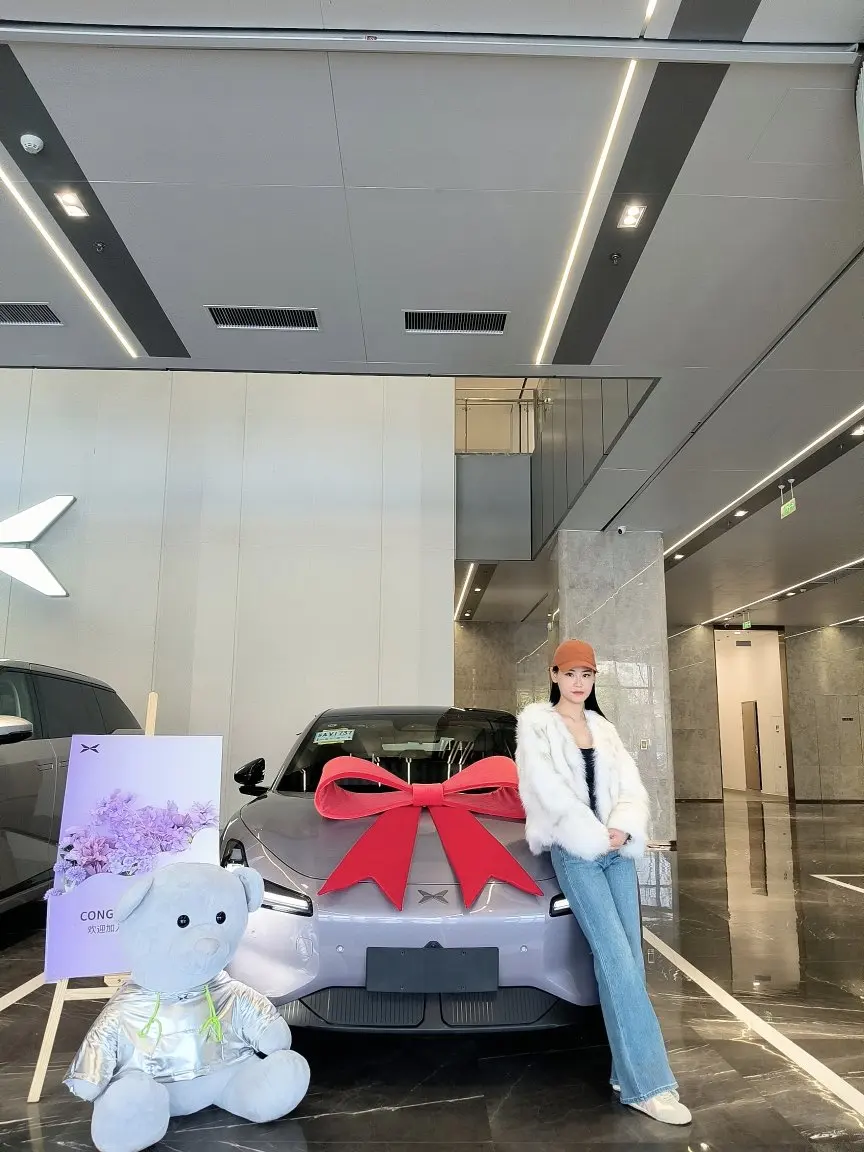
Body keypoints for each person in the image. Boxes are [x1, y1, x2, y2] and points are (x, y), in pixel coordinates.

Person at [515, 638, 690, 1126]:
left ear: (594, 679)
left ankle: (623, 1073)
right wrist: (594, 835)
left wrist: (624, 827)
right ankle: (649, 1085)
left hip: (617, 852)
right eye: (570, 673)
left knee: (629, 959)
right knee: (615, 958)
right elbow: (546, 793)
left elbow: (631, 787)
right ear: (554, 675)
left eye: (586, 674)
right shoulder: (536, 725)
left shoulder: (603, 728)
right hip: (577, 852)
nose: (578, 682)